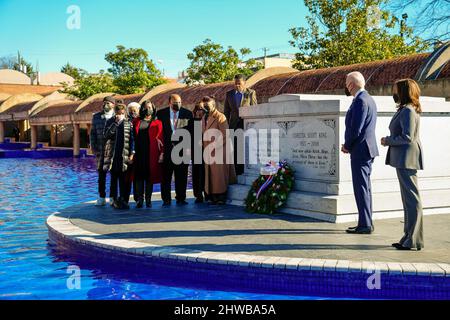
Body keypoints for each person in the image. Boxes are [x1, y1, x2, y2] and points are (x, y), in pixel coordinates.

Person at [381, 79, 424, 251]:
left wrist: (388, 141)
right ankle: (408, 237)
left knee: (412, 200)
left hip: (407, 158)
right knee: (408, 200)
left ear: (403, 91)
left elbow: (408, 137)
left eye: (395, 89)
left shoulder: (408, 111)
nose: (394, 92)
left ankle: (413, 239)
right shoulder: (406, 109)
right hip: (404, 159)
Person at [342, 72, 379, 234]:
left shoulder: (360, 101)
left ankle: (365, 224)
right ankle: (366, 221)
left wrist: (347, 145)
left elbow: (356, 129)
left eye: (347, 83)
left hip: (360, 150)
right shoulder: (368, 99)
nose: (347, 87)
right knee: (365, 187)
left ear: (351, 85)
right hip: (366, 149)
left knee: (361, 187)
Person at [156, 94, 193, 207]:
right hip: (167, 150)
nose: (178, 105)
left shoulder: (187, 113)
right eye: (175, 103)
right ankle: (166, 199)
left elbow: (191, 133)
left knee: (182, 176)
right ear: (169, 103)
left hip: (182, 150)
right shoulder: (161, 114)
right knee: (166, 176)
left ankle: (181, 198)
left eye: (180, 102)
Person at [202, 96, 236, 205]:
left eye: (208, 105)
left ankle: (220, 197)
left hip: (219, 151)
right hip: (208, 152)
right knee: (211, 176)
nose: (206, 107)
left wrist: (213, 147)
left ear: (213, 105)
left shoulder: (220, 117)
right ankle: (211, 197)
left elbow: (225, 135)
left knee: (219, 176)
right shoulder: (204, 117)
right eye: (204, 105)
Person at [224, 74, 257, 176]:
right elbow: (226, 111)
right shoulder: (229, 94)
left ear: (244, 83)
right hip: (234, 125)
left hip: (246, 125)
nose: (237, 85)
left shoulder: (251, 93)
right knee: (235, 149)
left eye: (239, 83)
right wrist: (226, 126)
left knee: (245, 148)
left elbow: (255, 109)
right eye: (235, 83)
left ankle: (245, 170)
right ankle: (236, 172)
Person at [133, 100, 164, 209]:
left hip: (152, 154)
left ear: (153, 108)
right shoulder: (136, 121)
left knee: (149, 177)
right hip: (139, 154)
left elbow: (161, 139)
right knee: (138, 177)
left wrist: (162, 153)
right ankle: (139, 200)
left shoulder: (158, 123)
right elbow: (132, 138)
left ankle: (148, 200)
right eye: (146, 107)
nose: (148, 109)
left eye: (150, 107)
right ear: (142, 109)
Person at [103, 103, 135, 210]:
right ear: (115, 113)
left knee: (123, 179)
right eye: (118, 113)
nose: (120, 115)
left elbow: (132, 139)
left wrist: (132, 153)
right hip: (113, 156)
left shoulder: (128, 123)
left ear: (124, 113)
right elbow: (107, 136)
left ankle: (123, 200)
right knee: (113, 179)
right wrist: (115, 124)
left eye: (122, 113)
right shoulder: (110, 122)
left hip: (124, 156)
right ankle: (113, 199)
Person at [90, 96, 116, 206]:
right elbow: (92, 134)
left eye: (108, 103)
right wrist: (94, 148)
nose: (106, 104)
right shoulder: (96, 117)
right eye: (104, 102)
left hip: (114, 151)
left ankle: (112, 197)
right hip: (101, 151)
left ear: (113, 105)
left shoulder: (117, 116)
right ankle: (101, 197)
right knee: (101, 175)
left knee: (114, 175)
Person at [188, 102, 207, 203]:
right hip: (196, 150)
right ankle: (198, 194)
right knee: (197, 173)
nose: (201, 111)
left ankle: (207, 192)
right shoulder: (191, 122)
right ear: (195, 110)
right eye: (199, 109)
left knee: (206, 172)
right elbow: (189, 137)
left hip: (207, 150)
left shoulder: (207, 120)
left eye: (203, 109)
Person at [123, 102, 141, 204]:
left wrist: (133, 153)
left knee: (137, 177)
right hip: (126, 154)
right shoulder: (126, 122)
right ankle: (125, 199)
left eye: (134, 110)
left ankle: (138, 198)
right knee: (126, 178)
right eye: (131, 111)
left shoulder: (141, 121)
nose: (132, 112)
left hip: (138, 154)